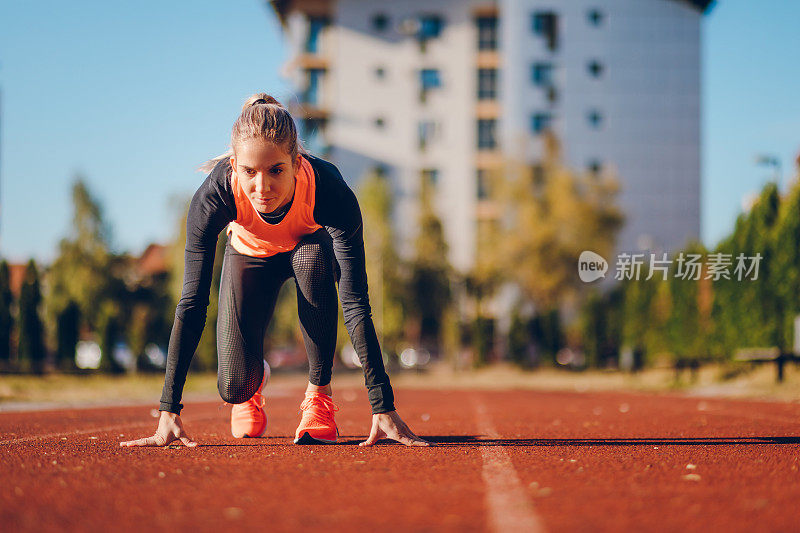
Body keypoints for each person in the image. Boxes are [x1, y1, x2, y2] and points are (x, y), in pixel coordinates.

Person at [121, 94, 429, 448]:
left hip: (307, 252)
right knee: (234, 386)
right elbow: (191, 303)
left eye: (276, 171)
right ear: (233, 166)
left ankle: (318, 396)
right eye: (249, 172)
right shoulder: (214, 196)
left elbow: (356, 303)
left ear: (297, 163)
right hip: (250, 258)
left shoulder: (329, 190)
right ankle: (253, 386)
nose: (262, 187)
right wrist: (168, 411)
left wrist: (382, 405)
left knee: (312, 256)